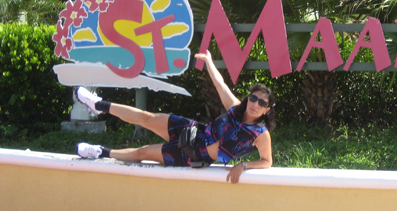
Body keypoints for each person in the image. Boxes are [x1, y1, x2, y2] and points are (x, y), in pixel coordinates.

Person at [75, 50, 275, 184]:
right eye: (253, 98)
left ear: (267, 110)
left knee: (142, 153)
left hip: (194, 155)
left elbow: (267, 161)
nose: (255, 104)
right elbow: (220, 84)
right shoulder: (235, 108)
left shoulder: (260, 134)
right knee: (147, 117)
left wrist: (244, 165)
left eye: (262, 103)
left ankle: (100, 152)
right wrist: (209, 61)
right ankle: (98, 105)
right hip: (193, 130)